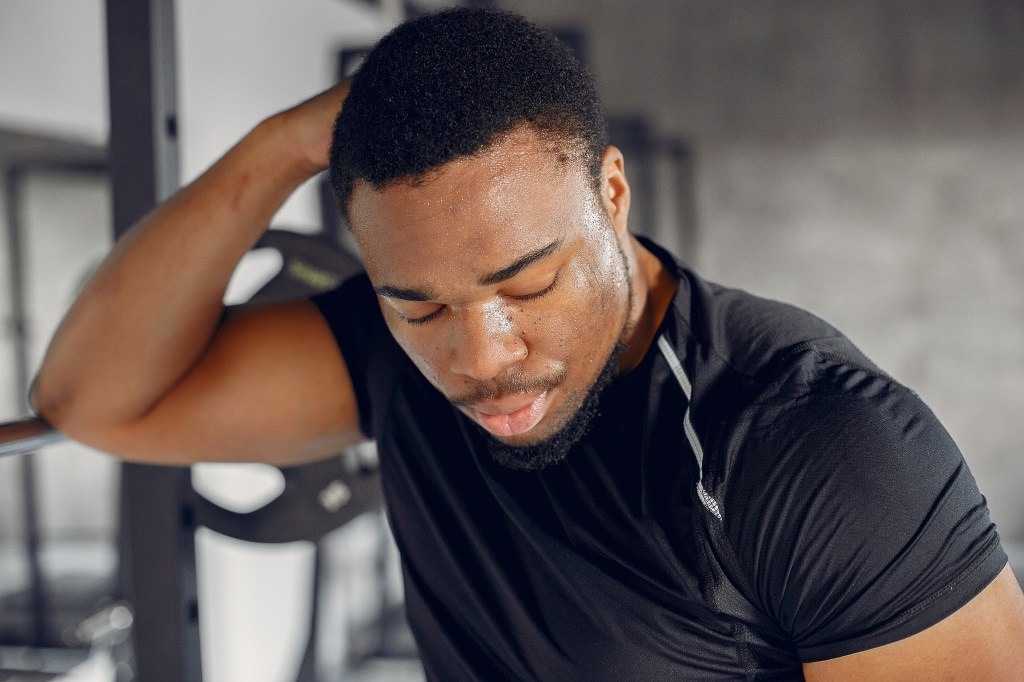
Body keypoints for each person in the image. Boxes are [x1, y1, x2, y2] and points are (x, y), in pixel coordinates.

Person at [30, 7, 1024, 681]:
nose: (481, 355)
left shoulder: (818, 449)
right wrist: (281, 146)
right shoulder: (393, 360)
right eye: (416, 304)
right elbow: (98, 397)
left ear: (614, 196)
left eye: (528, 281)